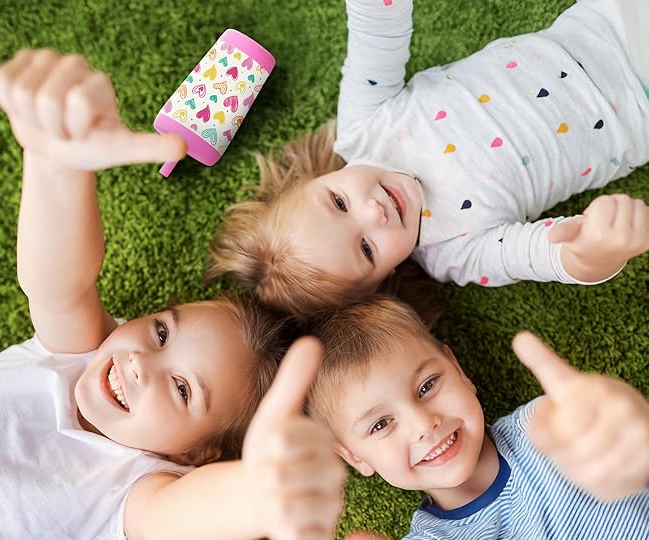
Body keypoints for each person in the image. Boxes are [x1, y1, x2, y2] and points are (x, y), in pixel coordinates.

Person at [0, 48, 345, 540]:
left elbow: (181, 520)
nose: (142, 362)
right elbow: (59, 283)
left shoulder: (134, 489)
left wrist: (258, 492)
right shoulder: (78, 356)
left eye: (183, 389)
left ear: (196, 456)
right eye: (162, 334)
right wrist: (57, 166)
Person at [207, 0, 649, 315]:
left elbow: (377, 34)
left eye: (339, 202)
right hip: (637, 117)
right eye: (366, 248)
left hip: (598, 24)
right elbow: (539, 254)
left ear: (312, 178)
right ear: (383, 278)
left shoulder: (364, 128)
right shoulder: (454, 252)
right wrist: (592, 253)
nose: (374, 212)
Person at [305, 295, 649, 540]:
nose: (423, 424)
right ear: (355, 457)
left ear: (458, 370)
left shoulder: (542, 426)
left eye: (427, 386)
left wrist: (620, 427)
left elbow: (605, 429)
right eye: (381, 425)